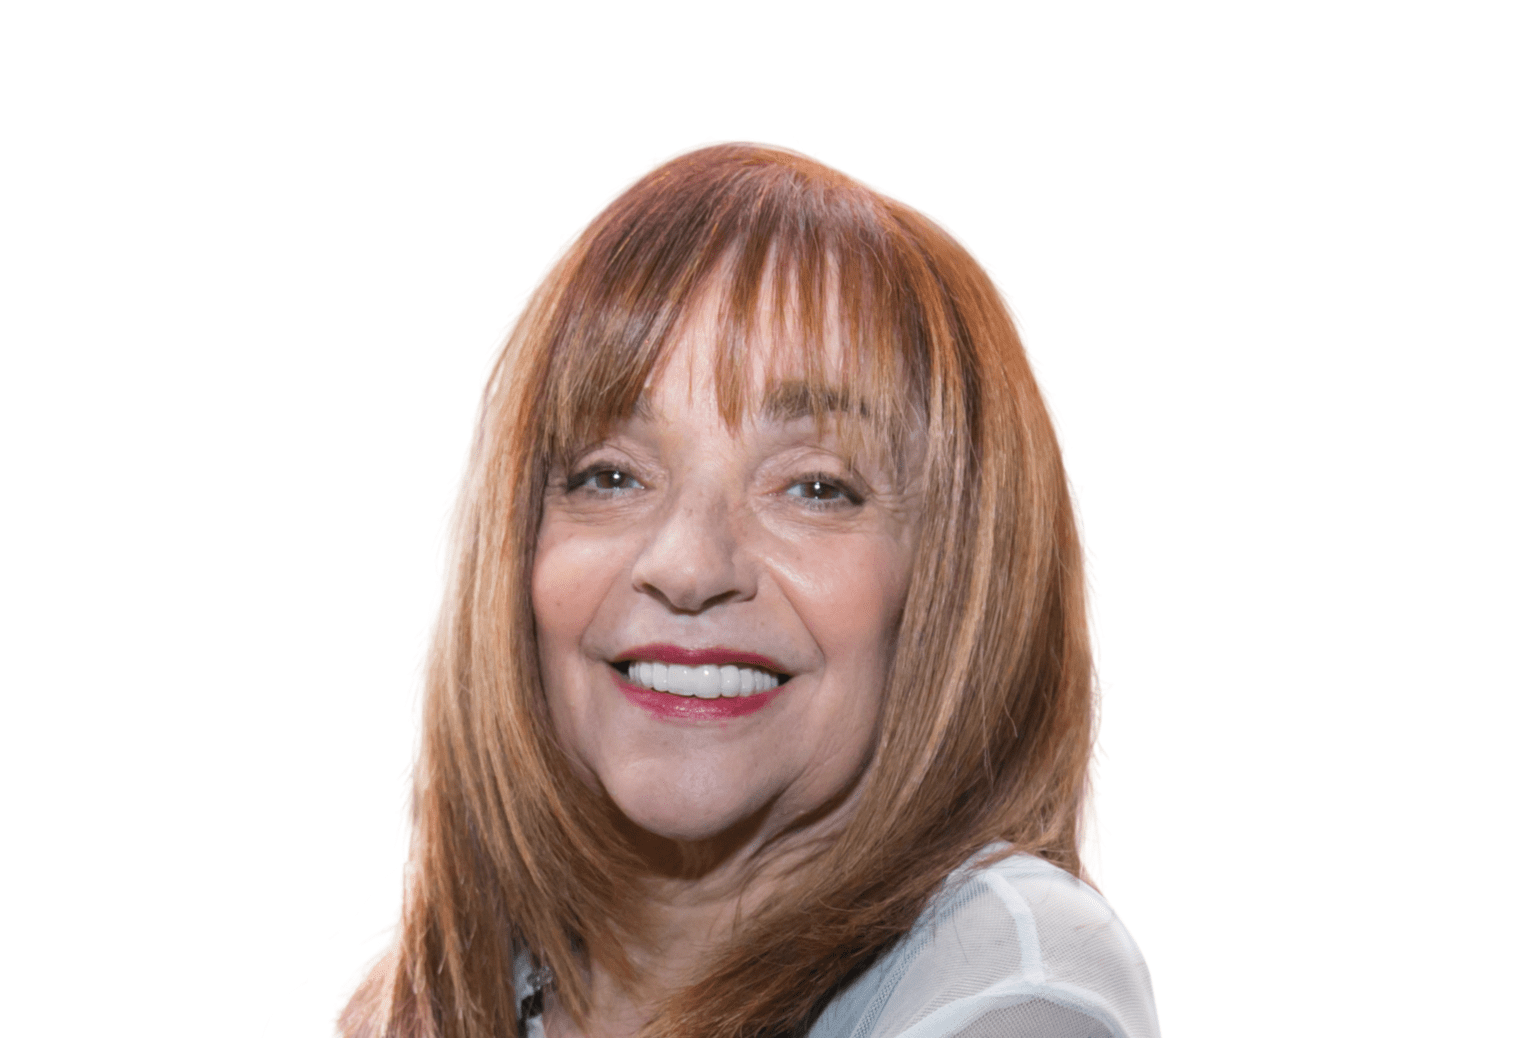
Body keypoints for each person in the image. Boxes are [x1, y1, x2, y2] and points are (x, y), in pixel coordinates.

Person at [340, 144, 1159, 1038]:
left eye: (816, 487)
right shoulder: (443, 997)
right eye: (610, 476)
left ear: (957, 586)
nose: (689, 566)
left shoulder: (1009, 980)